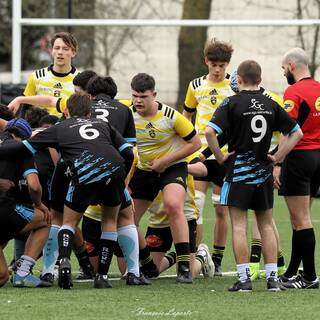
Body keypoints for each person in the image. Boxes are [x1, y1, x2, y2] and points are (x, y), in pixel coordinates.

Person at [0, 94, 134, 290]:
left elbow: (24, 147)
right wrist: (121, 179)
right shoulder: (104, 125)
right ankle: (103, 276)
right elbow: (129, 152)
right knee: (108, 222)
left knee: (66, 221)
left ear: (65, 112)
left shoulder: (60, 127)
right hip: (114, 170)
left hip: (84, 172)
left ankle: (62, 262)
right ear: (90, 113)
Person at [205, 60, 302, 292]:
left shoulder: (231, 103)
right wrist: (277, 157)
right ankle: (272, 280)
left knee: (239, 226)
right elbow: (296, 132)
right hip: (263, 173)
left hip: (238, 173)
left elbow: (209, 131)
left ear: (238, 79)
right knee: (266, 224)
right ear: (260, 80)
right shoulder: (271, 104)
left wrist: (219, 156)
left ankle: (244, 280)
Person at [128, 73, 201, 284]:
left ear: (154, 95)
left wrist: (166, 160)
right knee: (128, 217)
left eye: (143, 96)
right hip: (144, 170)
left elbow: (195, 143)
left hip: (171, 168)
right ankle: (147, 262)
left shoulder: (171, 116)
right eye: (135, 96)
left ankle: (185, 267)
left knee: (173, 205)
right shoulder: (127, 113)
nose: (138, 101)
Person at [183, 39, 234, 275]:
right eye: (214, 64)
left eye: (222, 65)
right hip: (200, 156)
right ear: (206, 61)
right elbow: (186, 117)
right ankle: (197, 253)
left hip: (225, 155)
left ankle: (218, 258)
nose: (217, 69)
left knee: (221, 209)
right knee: (197, 207)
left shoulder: (234, 85)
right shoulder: (195, 85)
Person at [277, 48, 320, 289]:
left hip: (300, 158)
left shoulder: (293, 91)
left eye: (284, 69)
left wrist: (277, 161)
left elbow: (289, 130)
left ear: (292, 66)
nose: (284, 73)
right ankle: (293, 272)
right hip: (318, 157)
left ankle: (311, 277)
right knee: (299, 220)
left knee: (301, 219)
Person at [0, 118, 51, 288]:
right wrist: (38, 204)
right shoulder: (22, 150)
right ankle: (22, 273)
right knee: (45, 220)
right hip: (2, 207)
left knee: (2, 276)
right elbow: (34, 186)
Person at [23, 32, 79, 117]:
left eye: (65, 49)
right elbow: (24, 108)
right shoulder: (36, 76)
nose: (60, 52)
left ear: (73, 53)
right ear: (51, 51)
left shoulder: (80, 80)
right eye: (57, 48)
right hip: (40, 128)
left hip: (67, 128)